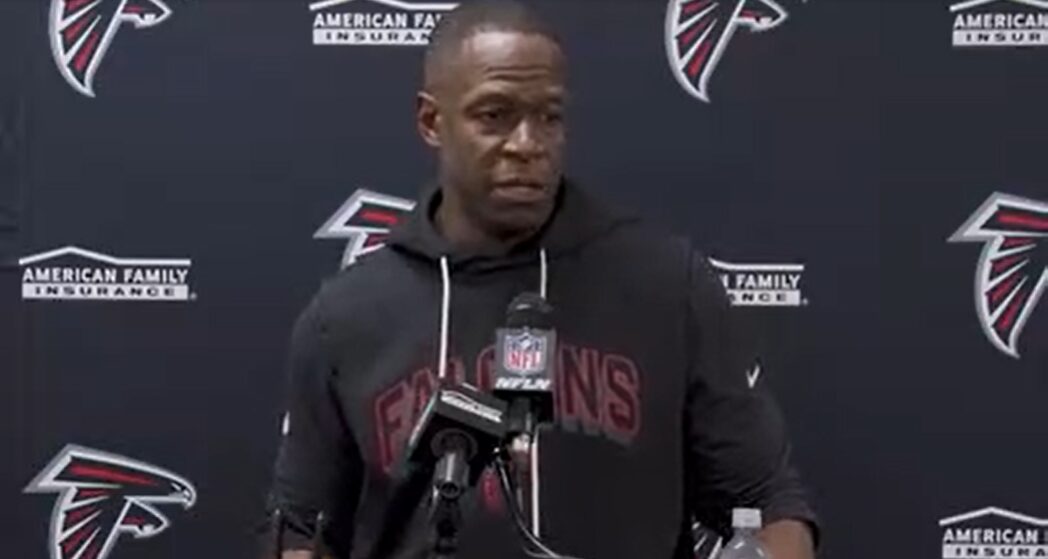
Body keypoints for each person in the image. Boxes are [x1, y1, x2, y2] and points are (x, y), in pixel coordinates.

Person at [263, 1, 819, 558]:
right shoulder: (346, 319)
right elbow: (301, 529)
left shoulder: (667, 287)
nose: (528, 144)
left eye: (549, 117)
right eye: (494, 115)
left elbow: (769, 503)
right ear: (432, 122)